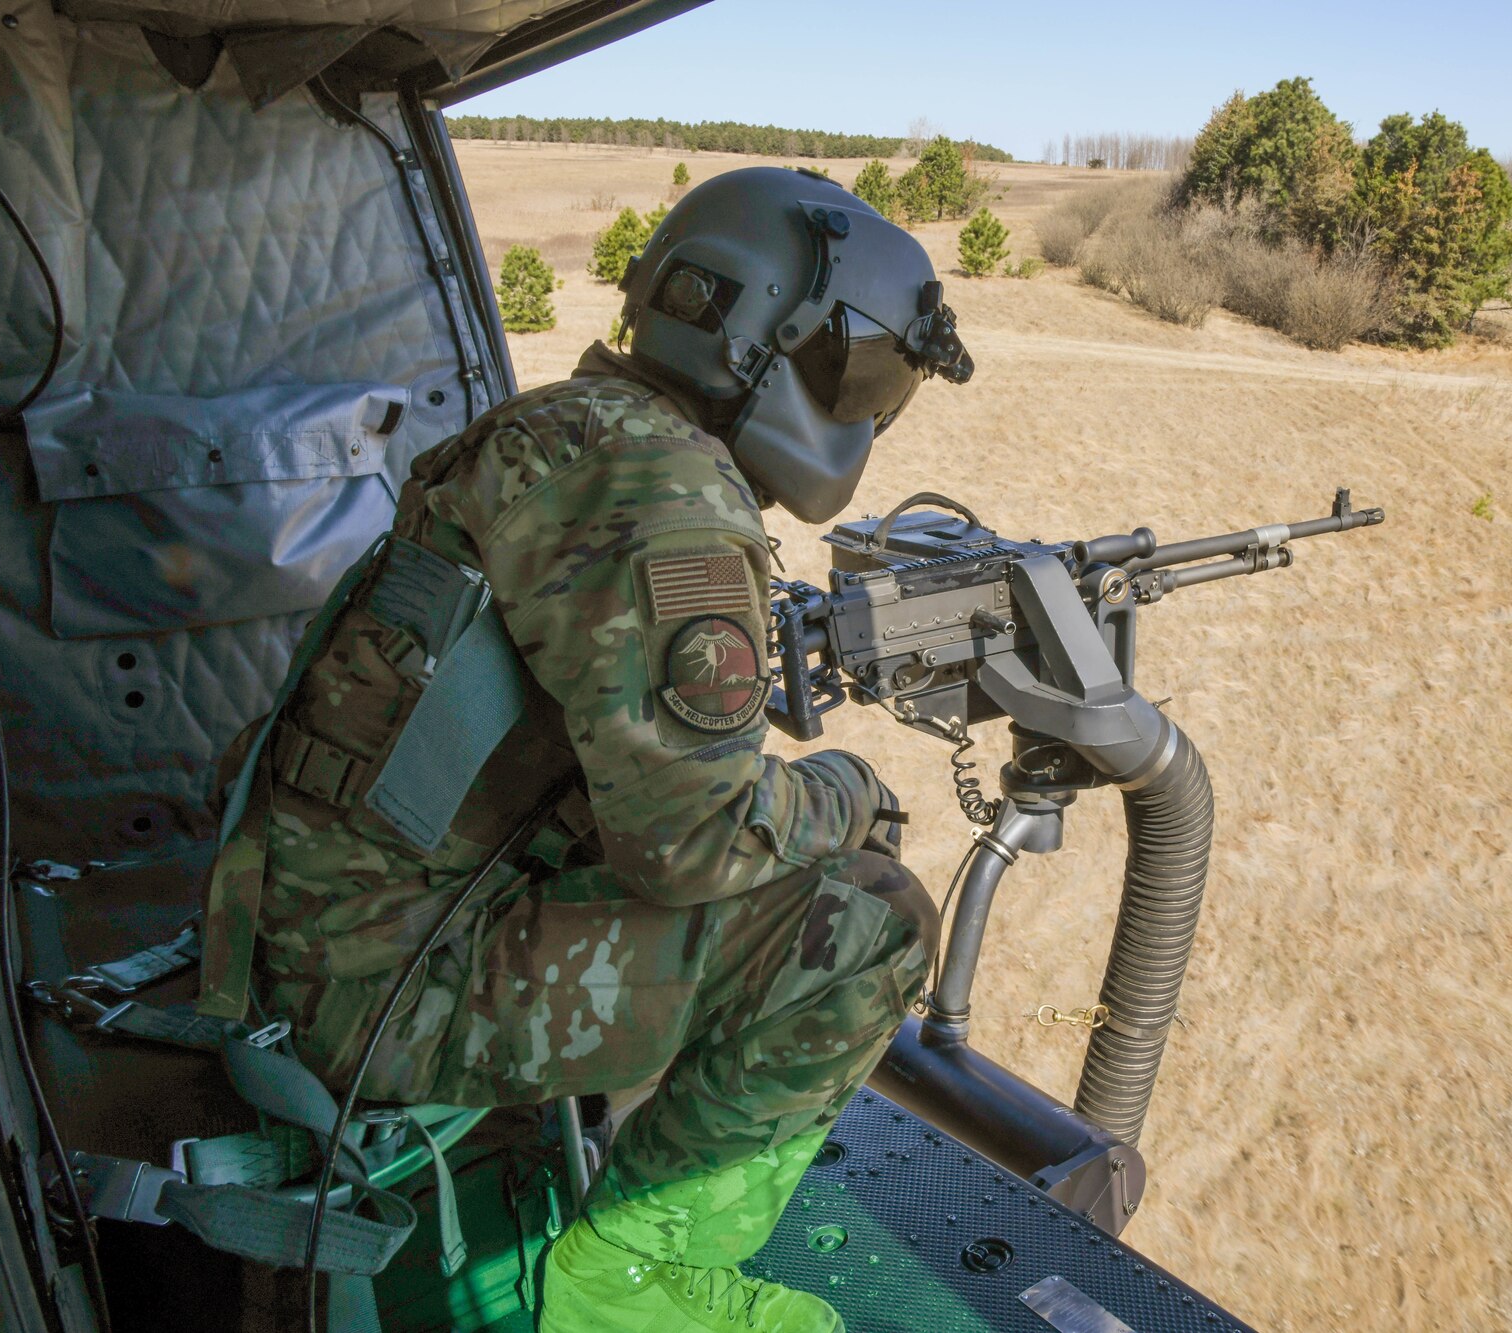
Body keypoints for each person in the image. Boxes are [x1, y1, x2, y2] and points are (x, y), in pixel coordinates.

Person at [193, 166, 974, 1331]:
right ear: (768, 337)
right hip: (381, 993)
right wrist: (845, 790)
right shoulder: (667, 496)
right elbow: (694, 847)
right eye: (862, 373)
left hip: (307, 924)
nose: (867, 410)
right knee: (866, 919)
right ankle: (633, 1277)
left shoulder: (562, 429)